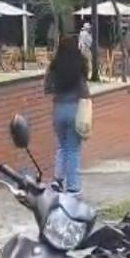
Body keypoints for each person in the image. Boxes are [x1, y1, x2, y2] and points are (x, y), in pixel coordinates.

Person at [44, 35, 90, 193]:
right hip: (75, 108)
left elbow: (47, 88)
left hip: (58, 108)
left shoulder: (54, 66)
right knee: (73, 149)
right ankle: (73, 186)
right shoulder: (79, 65)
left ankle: (57, 179)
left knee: (61, 147)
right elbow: (84, 91)